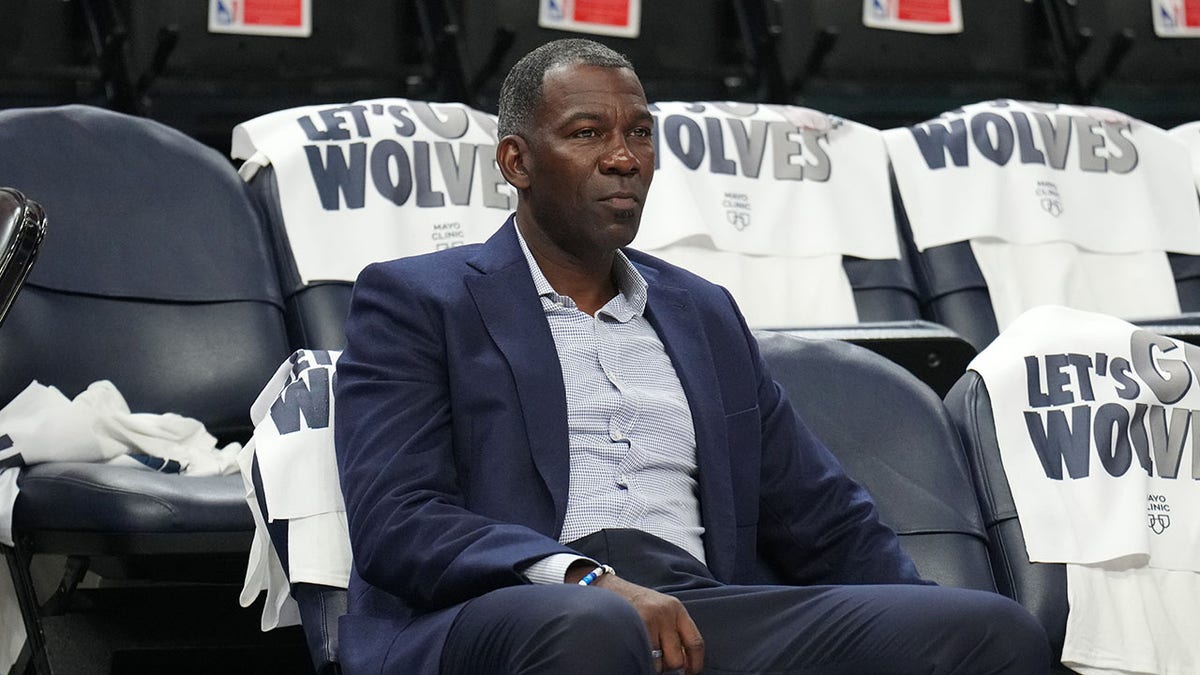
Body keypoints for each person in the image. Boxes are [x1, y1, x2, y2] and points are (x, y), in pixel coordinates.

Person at [333, 38, 1051, 674]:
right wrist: (584, 577)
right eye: (588, 133)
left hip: (697, 608)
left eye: (639, 133)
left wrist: (912, 626)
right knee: (593, 625)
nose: (623, 157)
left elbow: (820, 514)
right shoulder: (416, 300)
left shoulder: (702, 310)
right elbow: (399, 519)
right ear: (517, 161)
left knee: (990, 630)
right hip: (509, 603)